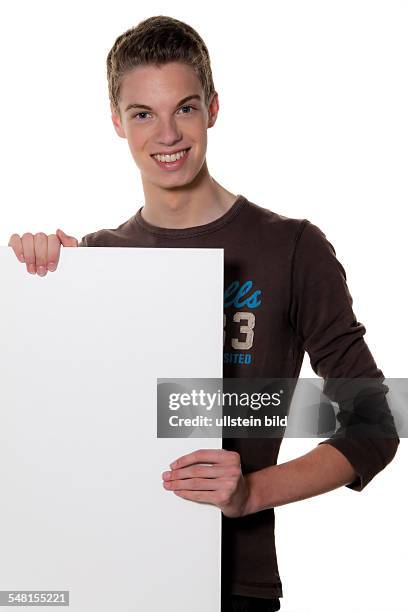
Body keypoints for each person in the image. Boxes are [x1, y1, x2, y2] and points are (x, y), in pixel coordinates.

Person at [8, 15, 399, 612]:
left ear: (213, 108)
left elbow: (375, 422)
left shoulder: (291, 248)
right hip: (101, 578)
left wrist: (250, 493)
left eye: (184, 108)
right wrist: (35, 285)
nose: (166, 134)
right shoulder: (94, 262)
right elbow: (45, 429)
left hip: (235, 585)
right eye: (143, 114)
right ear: (117, 122)